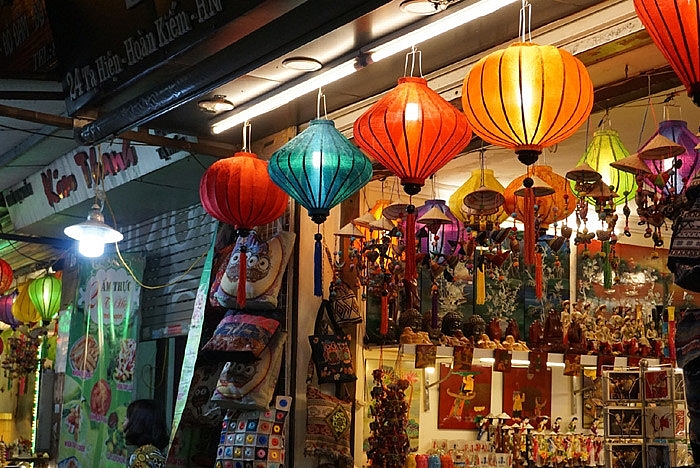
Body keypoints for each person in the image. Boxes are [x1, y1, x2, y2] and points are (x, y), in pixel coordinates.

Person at [123, 399, 170, 468]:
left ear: (138, 424)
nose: (123, 424)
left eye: (126, 419)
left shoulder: (143, 456)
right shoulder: (152, 453)